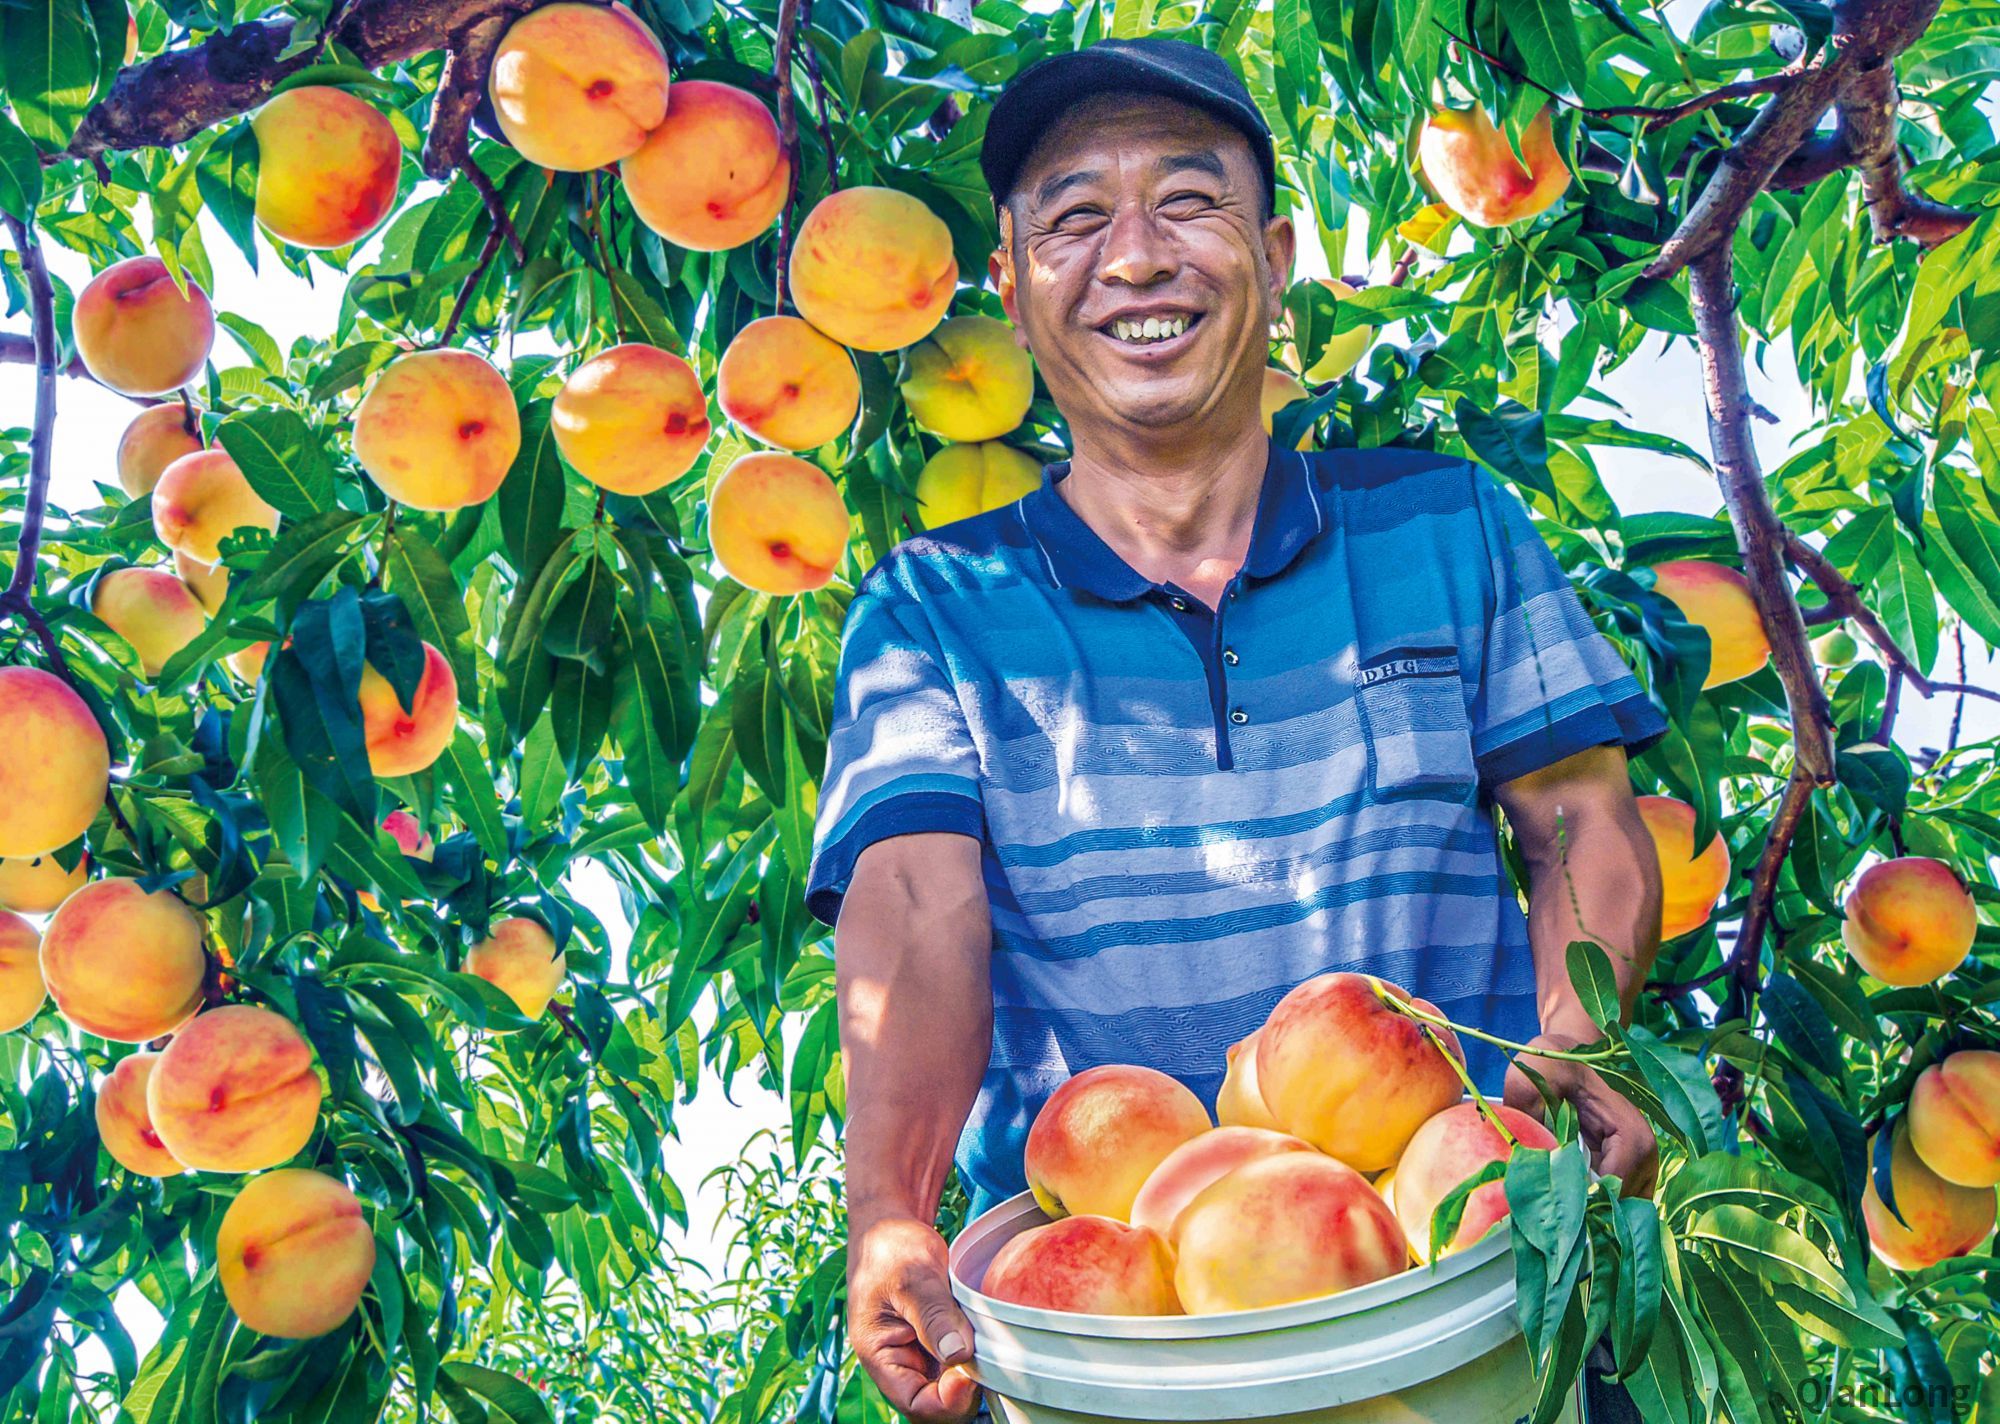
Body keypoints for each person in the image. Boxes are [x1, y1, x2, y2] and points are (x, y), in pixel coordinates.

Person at [807, 37, 1667, 1424]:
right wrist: (887, 1217)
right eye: (1075, 219)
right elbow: (914, 919)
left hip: (1466, 1291)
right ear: (1016, 298)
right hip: (1118, 1350)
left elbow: (1583, 819)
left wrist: (1588, 1038)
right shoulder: (934, 611)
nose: (1135, 258)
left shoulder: (1446, 527)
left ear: (1273, 256)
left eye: (1188, 203)